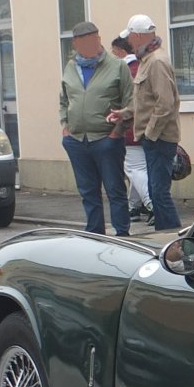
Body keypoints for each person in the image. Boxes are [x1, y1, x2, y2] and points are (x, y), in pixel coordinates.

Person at [109, 14, 182, 231]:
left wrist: (150, 133)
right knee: (156, 191)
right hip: (154, 138)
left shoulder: (156, 61)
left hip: (159, 138)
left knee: (159, 193)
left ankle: (172, 240)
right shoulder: (146, 59)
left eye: (130, 36)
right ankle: (168, 238)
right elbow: (145, 101)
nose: (128, 41)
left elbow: (165, 103)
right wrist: (124, 113)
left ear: (139, 35)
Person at [59, 21, 133, 236]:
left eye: (92, 39)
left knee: (115, 190)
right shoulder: (71, 67)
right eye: (82, 41)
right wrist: (66, 127)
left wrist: (116, 133)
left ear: (98, 39)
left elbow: (130, 102)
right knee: (88, 192)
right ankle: (95, 235)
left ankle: (122, 234)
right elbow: (64, 100)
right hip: (77, 140)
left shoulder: (118, 66)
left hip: (106, 139)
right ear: (75, 44)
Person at [110, 35, 153, 225]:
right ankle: (133, 207)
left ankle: (153, 205)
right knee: (139, 168)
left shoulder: (123, 71)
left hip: (128, 128)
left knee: (135, 169)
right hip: (147, 127)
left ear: (120, 51)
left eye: (113, 52)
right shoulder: (143, 66)